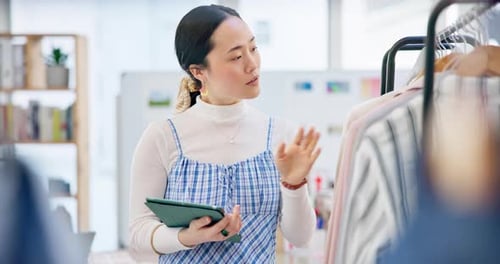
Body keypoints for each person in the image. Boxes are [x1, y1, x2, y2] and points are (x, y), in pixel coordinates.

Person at [128, 4, 321, 263]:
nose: (252, 65)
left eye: (253, 48)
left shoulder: (281, 135)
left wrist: (294, 184)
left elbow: (301, 237)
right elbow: (138, 235)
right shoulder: (163, 136)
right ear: (198, 71)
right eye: (236, 57)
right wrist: (186, 236)